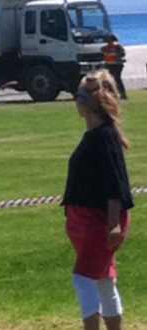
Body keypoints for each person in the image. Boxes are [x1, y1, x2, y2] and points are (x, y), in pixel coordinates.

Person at [62, 70, 133, 330]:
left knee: (84, 279)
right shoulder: (96, 135)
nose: (75, 101)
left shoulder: (104, 137)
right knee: (103, 280)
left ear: (89, 103)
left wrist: (114, 224)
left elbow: (115, 185)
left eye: (78, 95)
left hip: (99, 221)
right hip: (88, 220)